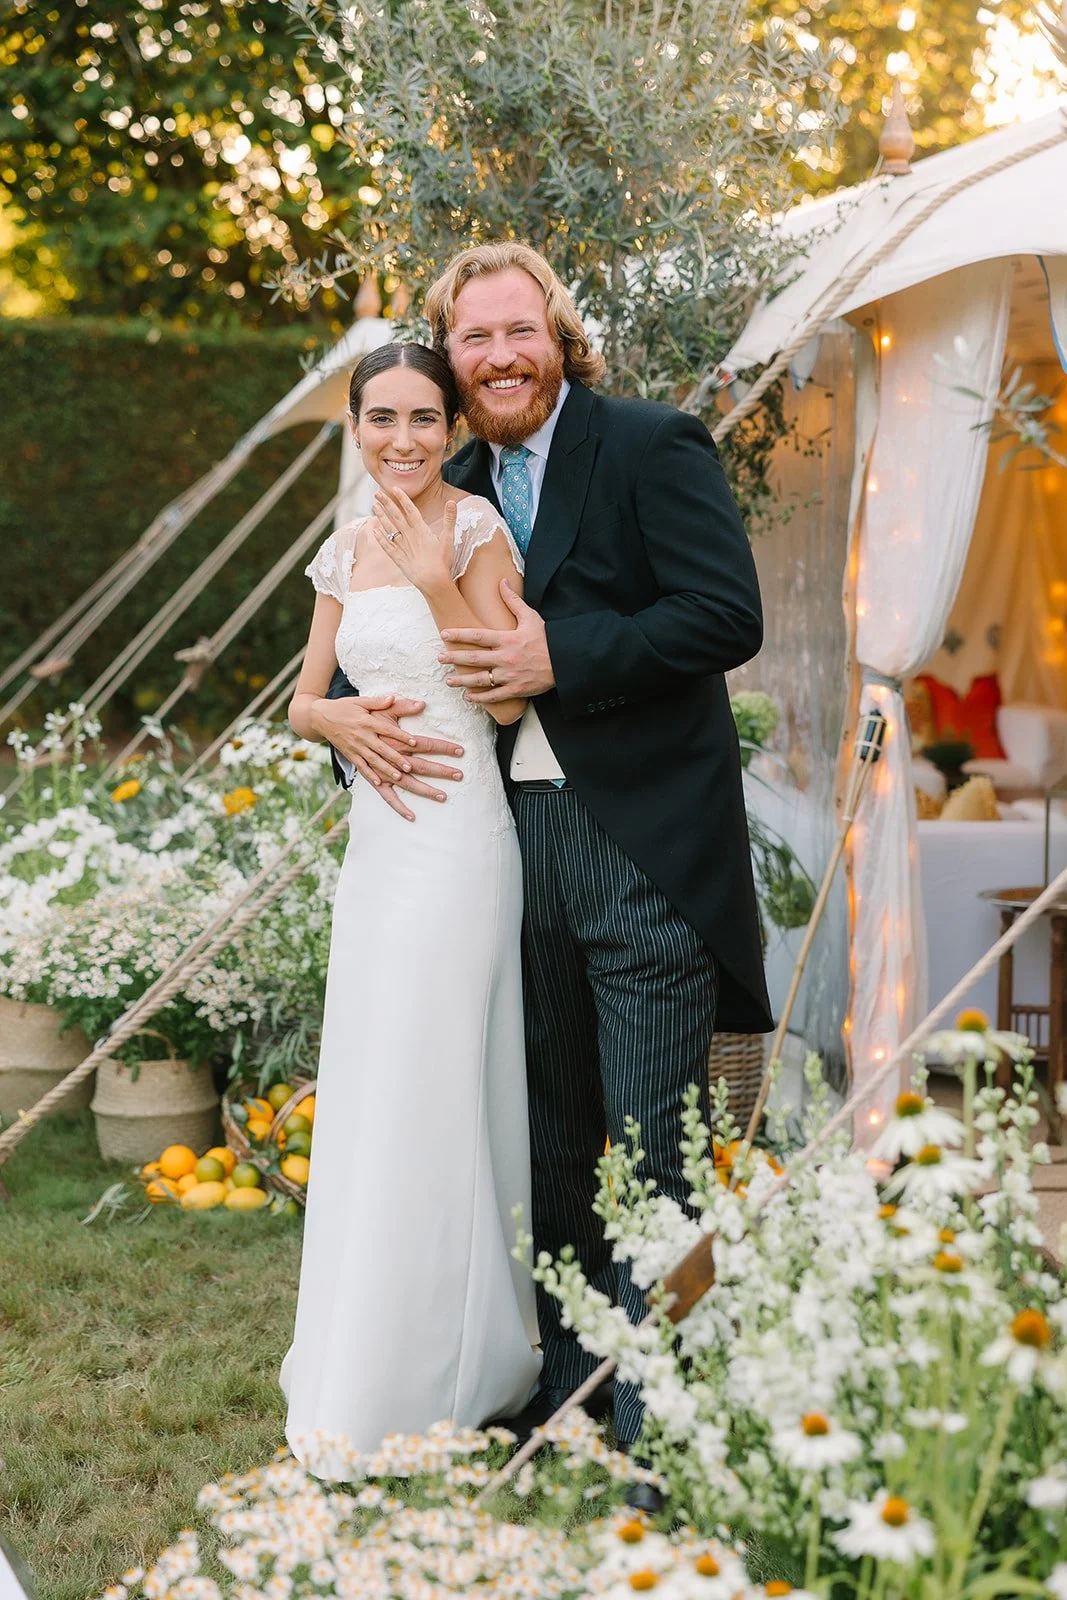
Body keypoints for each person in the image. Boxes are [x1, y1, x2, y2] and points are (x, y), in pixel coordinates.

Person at [319, 242, 773, 1452]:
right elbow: (382, 651)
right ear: (449, 353)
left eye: (519, 331)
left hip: (641, 852)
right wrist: (341, 725)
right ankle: (574, 1401)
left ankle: (662, 1425)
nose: (499, 356)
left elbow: (725, 613)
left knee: (658, 1148)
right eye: (474, 338)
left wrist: (558, 657)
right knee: (554, 1141)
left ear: (557, 335)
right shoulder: (440, 480)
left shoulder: (646, 444)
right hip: (503, 854)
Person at [280, 340, 540, 1458]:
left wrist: (435, 575)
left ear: (454, 428)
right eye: (381, 419)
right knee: (377, 1079)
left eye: (425, 420)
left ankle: (452, 1355)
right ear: (355, 426)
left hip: (459, 842)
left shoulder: (481, 531)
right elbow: (302, 700)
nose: (403, 440)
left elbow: (500, 696)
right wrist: (332, 720)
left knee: (438, 1082)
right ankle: (359, 1347)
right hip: (379, 854)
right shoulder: (340, 551)